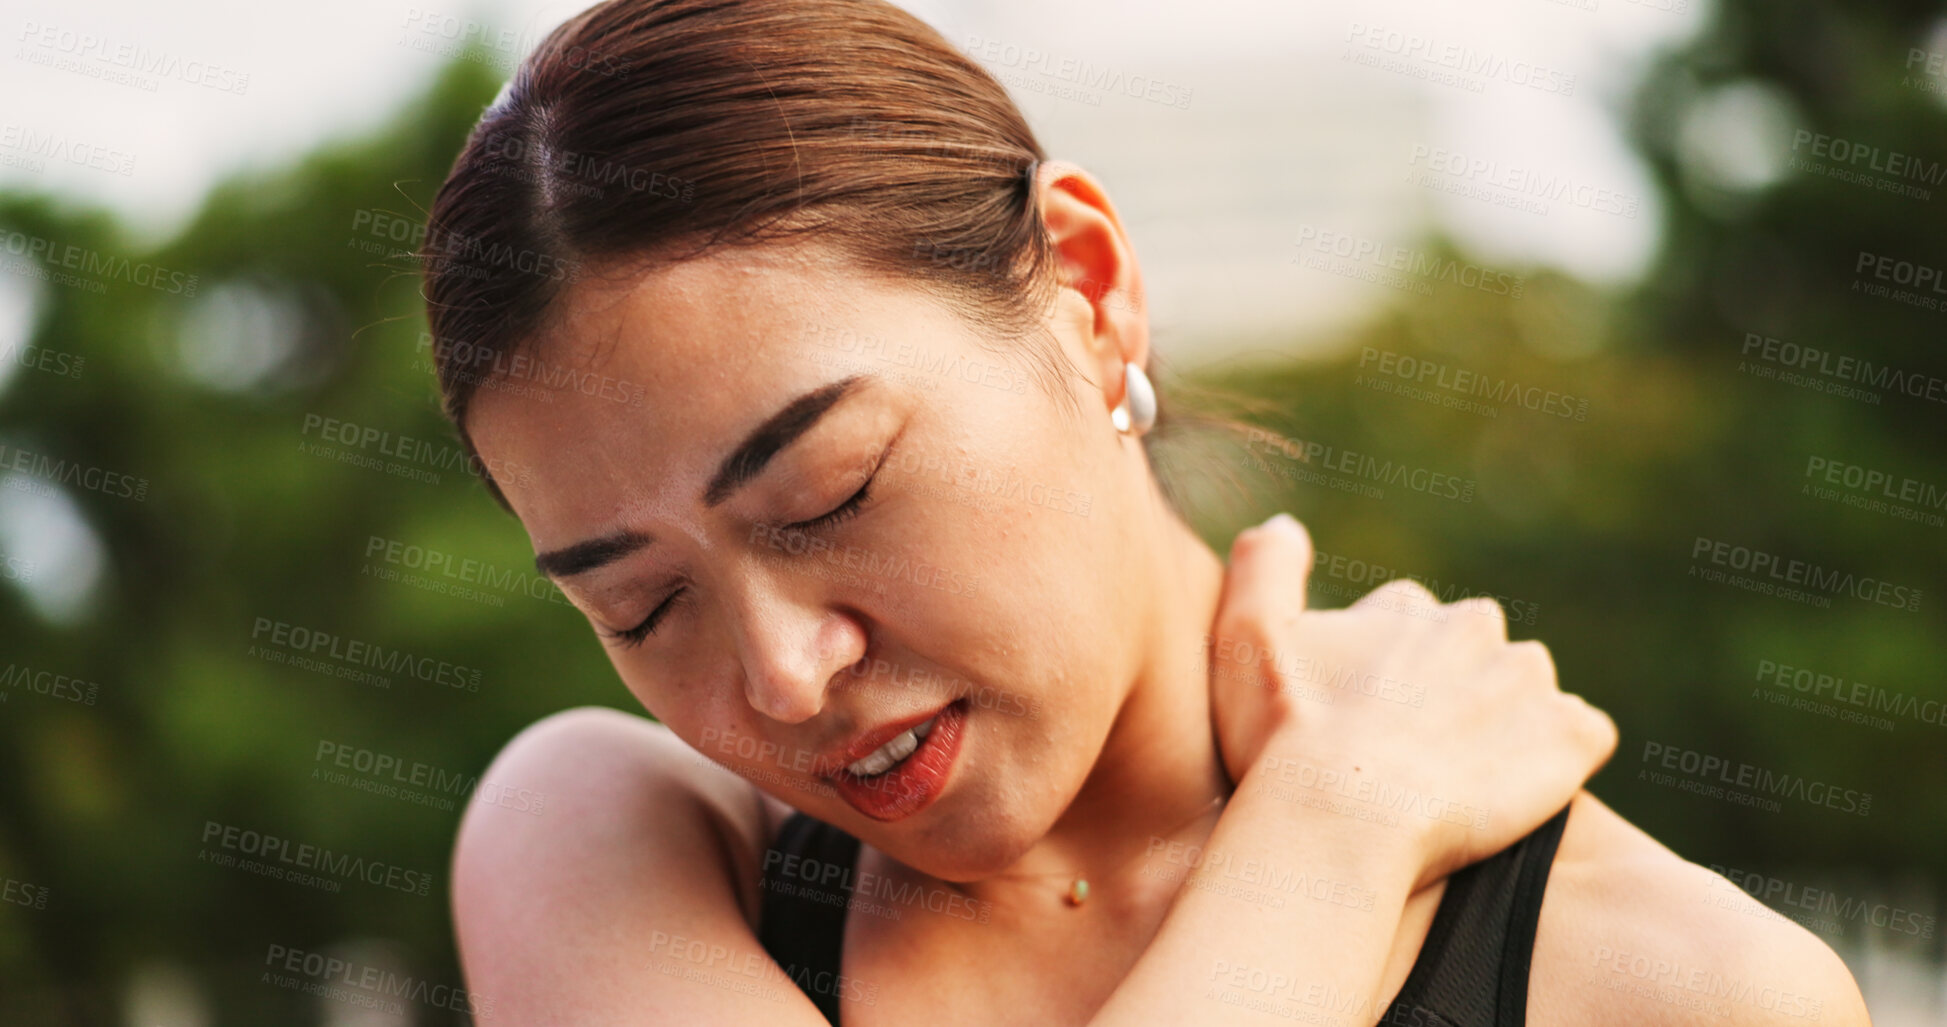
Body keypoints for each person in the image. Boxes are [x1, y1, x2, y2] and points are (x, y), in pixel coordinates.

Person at [420, 1, 1873, 1022]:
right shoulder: (615, 858)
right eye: (643, 606)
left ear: (1088, 292)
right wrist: (1330, 831)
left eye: (828, 494)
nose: (784, 675)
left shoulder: (1674, 991)